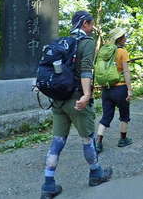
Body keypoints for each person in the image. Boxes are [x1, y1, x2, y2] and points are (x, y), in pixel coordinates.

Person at [41, 11, 112, 199]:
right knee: (87, 138)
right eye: (91, 24)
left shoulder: (64, 43)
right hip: (76, 99)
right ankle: (96, 173)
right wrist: (87, 95)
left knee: (57, 141)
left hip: (58, 100)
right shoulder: (86, 42)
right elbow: (86, 70)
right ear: (86, 24)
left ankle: (48, 184)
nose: (93, 27)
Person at [96, 27, 133, 154]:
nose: (126, 39)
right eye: (124, 37)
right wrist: (129, 89)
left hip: (106, 88)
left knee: (106, 116)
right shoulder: (122, 52)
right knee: (124, 115)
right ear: (120, 38)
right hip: (120, 87)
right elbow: (126, 71)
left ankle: (98, 143)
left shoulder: (104, 50)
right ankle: (123, 140)